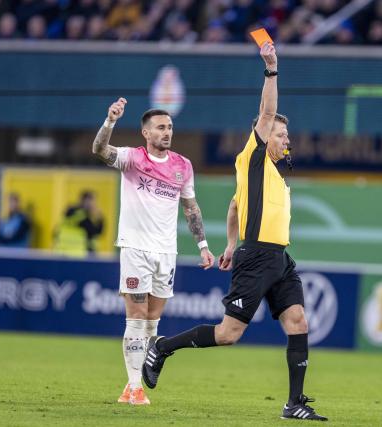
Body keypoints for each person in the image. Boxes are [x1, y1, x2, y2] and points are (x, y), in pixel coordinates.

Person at [141, 42, 327, 421]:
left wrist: (229, 243)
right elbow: (267, 111)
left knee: (298, 321)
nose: (286, 140)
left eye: (286, 137)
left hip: (278, 258)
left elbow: (233, 206)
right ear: (263, 136)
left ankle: (294, 403)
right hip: (258, 256)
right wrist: (272, 69)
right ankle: (162, 347)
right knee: (228, 335)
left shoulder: (271, 174)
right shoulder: (253, 157)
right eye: (280, 135)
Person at [92, 98, 215, 405]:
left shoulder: (182, 166)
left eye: (170, 127)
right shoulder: (132, 158)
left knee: (151, 321)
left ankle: (130, 386)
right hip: (135, 248)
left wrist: (203, 246)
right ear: (145, 132)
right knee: (135, 317)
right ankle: (135, 388)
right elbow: (99, 150)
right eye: (160, 127)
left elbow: (191, 208)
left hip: (166, 253)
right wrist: (110, 122)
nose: (167, 132)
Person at [55, 190, 104, 256]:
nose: (94, 204)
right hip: (78, 254)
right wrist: (99, 218)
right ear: (87, 201)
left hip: (62, 252)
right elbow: (96, 232)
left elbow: (55, 233)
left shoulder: (69, 212)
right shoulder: (82, 216)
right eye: (93, 201)